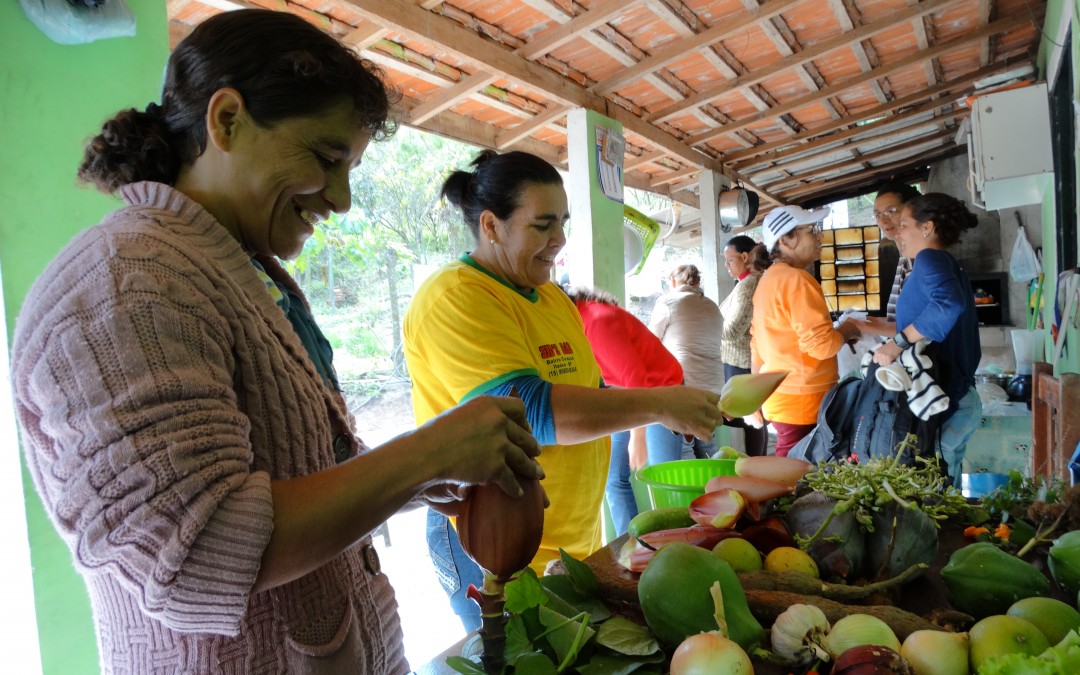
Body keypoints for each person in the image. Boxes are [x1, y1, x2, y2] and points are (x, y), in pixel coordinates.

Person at [9, 11, 545, 674]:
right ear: (227, 120)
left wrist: (424, 475)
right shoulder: (127, 284)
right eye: (326, 159)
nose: (343, 199)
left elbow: (293, 471)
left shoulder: (242, 270)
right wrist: (424, 452)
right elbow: (197, 553)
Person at [403, 150, 723, 630]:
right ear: (491, 225)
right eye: (542, 225)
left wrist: (654, 410)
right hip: (488, 539)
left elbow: (589, 391)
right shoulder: (456, 296)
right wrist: (658, 404)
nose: (560, 240)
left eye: (563, 222)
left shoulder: (552, 296)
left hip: (567, 539)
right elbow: (525, 411)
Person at [863, 193, 982, 486]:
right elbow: (929, 319)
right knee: (943, 489)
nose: (897, 232)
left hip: (948, 399)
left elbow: (948, 304)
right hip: (959, 397)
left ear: (927, 227)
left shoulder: (930, 258)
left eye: (904, 224)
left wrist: (897, 344)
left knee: (934, 492)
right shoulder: (942, 263)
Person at [564, 285, 685, 535]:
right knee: (614, 480)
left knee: (665, 482)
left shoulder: (596, 319)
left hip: (662, 395)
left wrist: (637, 436)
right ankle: (632, 544)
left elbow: (636, 377)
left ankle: (679, 546)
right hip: (625, 396)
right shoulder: (580, 322)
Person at [751, 205, 862, 456]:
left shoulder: (767, 281)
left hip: (779, 394)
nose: (819, 236)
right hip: (803, 398)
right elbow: (822, 347)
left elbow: (757, 345)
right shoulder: (797, 280)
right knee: (796, 472)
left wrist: (756, 394)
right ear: (786, 240)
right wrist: (848, 330)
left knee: (793, 465)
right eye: (811, 230)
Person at [649, 263, 725, 459]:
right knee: (707, 443)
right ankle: (714, 482)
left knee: (683, 446)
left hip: (684, 383)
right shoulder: (712, 306)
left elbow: (650, 341)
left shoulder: (667, 301)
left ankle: (690, 488)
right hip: (714, 384)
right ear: (698, 282)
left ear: (673, 282)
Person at [718, 236, 769, 456]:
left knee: (752, 421)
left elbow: (732, 330)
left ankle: (756, 466)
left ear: (745, 256)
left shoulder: (749, 284)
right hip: (742, 361)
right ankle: (757, 464)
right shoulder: (746, 282)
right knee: (752, 421)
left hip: (743, 363)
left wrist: (707, 327)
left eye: (730, 260)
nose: (727, 265)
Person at [858, 181, 922, 339]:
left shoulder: (919, 259)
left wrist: (860, 326)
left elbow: (918, 327)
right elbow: (899, 320)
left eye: (891, 211)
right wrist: (870, 321)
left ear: (912, 211)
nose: (883, 220)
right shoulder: (905, 257)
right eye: (878, 214)